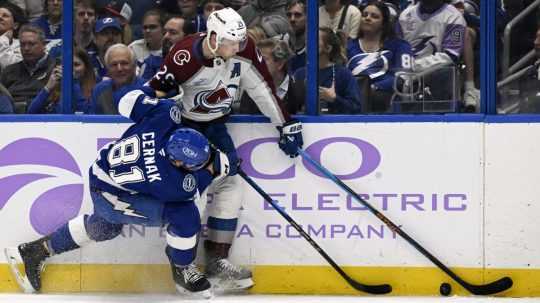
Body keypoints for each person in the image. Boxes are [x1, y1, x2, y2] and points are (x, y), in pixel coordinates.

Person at [5, 88, 233, 299]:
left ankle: (34, 251)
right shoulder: (168, 179)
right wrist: (218, 169)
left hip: (102, 171)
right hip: (110, 194)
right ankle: (182, 270)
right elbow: (191, 192)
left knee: (105, 228)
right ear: (175, 161)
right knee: (185, 216)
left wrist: (156, 92)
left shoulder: (165, 114)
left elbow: (126, 101)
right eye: (193, 166)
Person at [147, 7, 304, 291]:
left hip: (217, 127)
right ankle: (183, 265)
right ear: (215, 37)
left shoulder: (244, 50)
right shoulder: (184, 56)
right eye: (232, 42)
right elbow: (153, 95)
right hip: (183, 131)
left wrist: (285, 125)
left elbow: (262, 88)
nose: (239, 47)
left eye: (240, 41)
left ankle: (217, 260)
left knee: (231, 185)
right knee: (191, 192)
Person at [347, 0, 413, 112]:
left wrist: (374, 87)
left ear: (384, 23)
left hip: (383, 98)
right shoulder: (349, 45)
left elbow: (404, 76)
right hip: (352, 98)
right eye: (364, 15)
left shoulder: (400, 46)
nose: (367, 18)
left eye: (374, 16)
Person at [291, 27, 363, 114]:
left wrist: (334, 99)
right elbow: (290, 109)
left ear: (328, 48)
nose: (308, 43)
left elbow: (356, 109)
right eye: (307, 40)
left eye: (314, 40)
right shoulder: (299, 74)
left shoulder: (344, 74)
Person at [1, 24, 56, 113]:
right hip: (10, 118)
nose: (26, 48)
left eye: (31, 44)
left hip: (43, 117)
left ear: (44, 45)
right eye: (22, 44)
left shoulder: (54, 70)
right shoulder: (9, 70)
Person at [89, 43, 144, 114]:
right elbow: (93, 121)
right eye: (114, 64)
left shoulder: (147, 89)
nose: (119, 69)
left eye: (124, 63)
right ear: (107, 69)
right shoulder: (99, 90)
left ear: (134, 66)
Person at [0, 1, 26, 70]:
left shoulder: (22, 45)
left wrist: (3, 39)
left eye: (5, 15)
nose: (0, 17)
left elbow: (10, 68)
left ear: (15, 25)